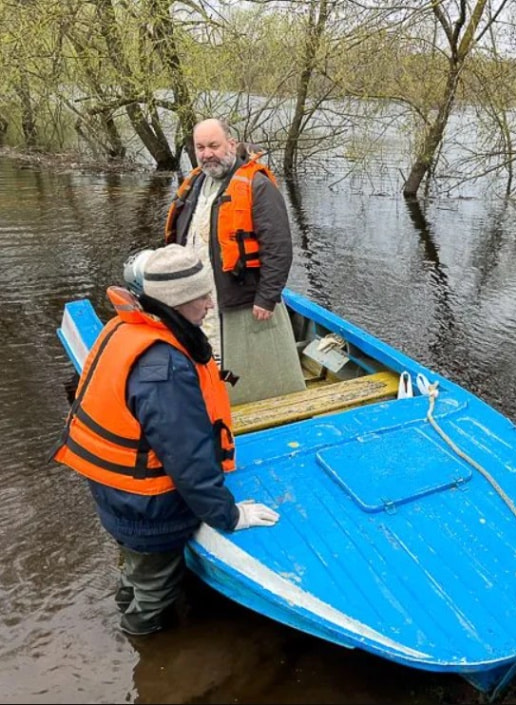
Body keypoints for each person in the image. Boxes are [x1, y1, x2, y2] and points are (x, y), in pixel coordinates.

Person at [51, 244, 281, 636]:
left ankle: (128, 601)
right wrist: (228, 515)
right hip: (147, 505)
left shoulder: (125, 327)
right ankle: (143, 641)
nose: (211, 304)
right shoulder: (164, 368)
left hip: (116, 493)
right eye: (201, 297)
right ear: (175, 303)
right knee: (156, 588)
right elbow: (188, 458)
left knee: (137, 570)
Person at [164, 117, 306, 406]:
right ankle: (210, 394)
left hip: (238, 294)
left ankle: (246, 398)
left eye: (214, 145)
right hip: (200, 295)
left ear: (231, 143)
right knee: (205, 352)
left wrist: (267, 297)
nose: (207, 154)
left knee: (235, 359)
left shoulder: (258, 186)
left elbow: (278, 246)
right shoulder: (197, 182)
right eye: (200, 147)